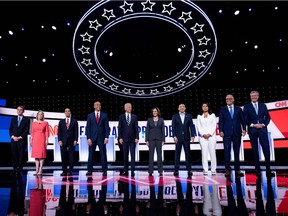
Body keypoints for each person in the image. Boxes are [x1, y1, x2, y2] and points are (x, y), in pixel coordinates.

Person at [243, 90, 275, 178]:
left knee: (266, 149)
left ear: (258, 96)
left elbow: (268, 117)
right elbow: (245, 118)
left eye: (255, 95)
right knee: (255, 150)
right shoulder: (247, 106)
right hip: (252, 130)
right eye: (252, 96)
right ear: (250, 97)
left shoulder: (263, 105)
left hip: (262, 130)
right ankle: (258, 170)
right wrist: (253, 125)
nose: (254, 97)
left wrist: (263, 124)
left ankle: (268, 170)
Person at [218, 94, 246, 178]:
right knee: (227, 151)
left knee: (237, 151)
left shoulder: (238, 109)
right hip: (226, 133)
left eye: (230, 98)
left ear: (233, 100)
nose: (228, 100)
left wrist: (244, 128)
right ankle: (227, 169)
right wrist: (221, 131)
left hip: (237, 133)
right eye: (227, 99)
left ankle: (237, 169)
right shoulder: (222, 109)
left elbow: (242, 120)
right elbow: (221, 121)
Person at [85, 101, 110, 176]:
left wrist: (106, 137)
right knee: (91, 154)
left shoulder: (104, 115)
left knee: (103, 154)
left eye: (99, 104)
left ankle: (104, 170)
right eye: (96, 105)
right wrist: (88, 138)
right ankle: (89, 170)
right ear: (94, 106)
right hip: (92, 138)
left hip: (101, 138)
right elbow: (88, 128)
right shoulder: (90, 116)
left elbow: (107, 127)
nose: (98, 106)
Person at [171, 103, 195, 177]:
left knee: (188, 154)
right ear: (178, 108)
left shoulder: (189, 116)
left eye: (183, 107)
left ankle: (189, 169)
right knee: (177, 154)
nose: (181, 108)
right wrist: (174, 136)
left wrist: (192, 135)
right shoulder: (175, 116)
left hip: (186, 137)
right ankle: (176, 169)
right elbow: (173, 127)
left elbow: (191, 126)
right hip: (178, 138)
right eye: (180, 107)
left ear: (185, 108)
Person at [118, 103, 139, 177]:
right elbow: (119, 128)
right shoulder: (121, 117)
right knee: (125, 156)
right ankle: (125, 170)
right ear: (125, 108)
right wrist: (120, 137)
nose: (130, 108)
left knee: (133, 156)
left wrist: (137, 137)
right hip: (124, 139)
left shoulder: (134, 117)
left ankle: (133, 171)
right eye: (129, 107)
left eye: (131, 107)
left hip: (133, 139)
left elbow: (136, 128)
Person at [196, 102, 217, 176]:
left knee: (212, 153)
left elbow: (214, 125)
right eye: (203, 106)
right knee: (204, 154)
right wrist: (203, 134)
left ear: (208, 107)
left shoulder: (212, 115)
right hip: (203, 137)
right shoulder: (199, 116)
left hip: (211, 137)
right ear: (201, 108)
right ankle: (205, 169)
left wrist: (209, 134)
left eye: (206, 106)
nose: (204, 107)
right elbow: (198, 126)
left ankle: (213, 169)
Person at [9, 105, 31, 176]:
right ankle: (14, 169)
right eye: (18, 109)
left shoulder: (27, 120)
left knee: (21, 155)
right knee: (14, 155)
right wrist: (13, 137)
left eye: (20, 109)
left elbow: (26, 130)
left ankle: (19, 169)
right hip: (13, 140)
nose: (19, 111)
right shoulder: (13, 119)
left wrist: (20, 137)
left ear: (23, 111)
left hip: (22, 140)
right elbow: (10, 129)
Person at [57, 108, 79, 176]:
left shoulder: (74, 121)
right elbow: (59, 132)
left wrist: (75, 139)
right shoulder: (61, 121)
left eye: (68, 111)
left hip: (71, 141)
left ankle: (70, 171)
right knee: (63, 156)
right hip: (63, 141)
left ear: (70, 112)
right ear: (64, 112)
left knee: (71, 156)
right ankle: (64, 171)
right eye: (66, 111)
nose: (67, 112)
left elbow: (76, 131)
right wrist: (59, 140)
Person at [145, 107, 165, 176]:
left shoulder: (161, 120)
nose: (154, 112)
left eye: (155, 111)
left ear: (157, 112)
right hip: (151, 140)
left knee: (159, 155)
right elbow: (147, 131)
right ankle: (150, 171)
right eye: (153, 111)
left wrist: (163, 140)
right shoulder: (149, 120)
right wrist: (146, 140)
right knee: (151, 156)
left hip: (159, 140)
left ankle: (160, 171)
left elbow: (163, 131)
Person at [30, 110, 49, 176]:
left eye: (41, 114)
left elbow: (47, 132)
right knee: (36, 155)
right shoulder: (34, 123)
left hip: (42, 139)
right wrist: (31, 140)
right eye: (39, 114)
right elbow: (32, 132)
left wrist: (47, 140)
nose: (40, 115)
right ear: (37, 116)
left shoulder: (45, 123)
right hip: (35, 139)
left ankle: (40, 169)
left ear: (43, 116)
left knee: (41, 155)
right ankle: (36, 169)